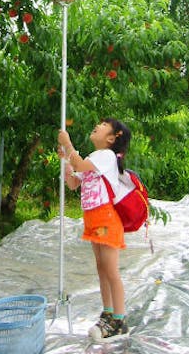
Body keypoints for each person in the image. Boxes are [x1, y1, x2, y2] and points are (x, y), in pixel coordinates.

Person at [57, 118, 132, 342]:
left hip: (106, 220)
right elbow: (73, 182)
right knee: (101, 268)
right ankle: (107, 313)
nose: (97, 125)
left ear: (111, 138)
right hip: (93, 221)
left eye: (103, 124)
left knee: (110, 270)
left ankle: (119, 320)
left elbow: (80, 165)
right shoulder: (93, 157)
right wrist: (65, 163)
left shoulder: (106, 156)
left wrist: (69, 145)